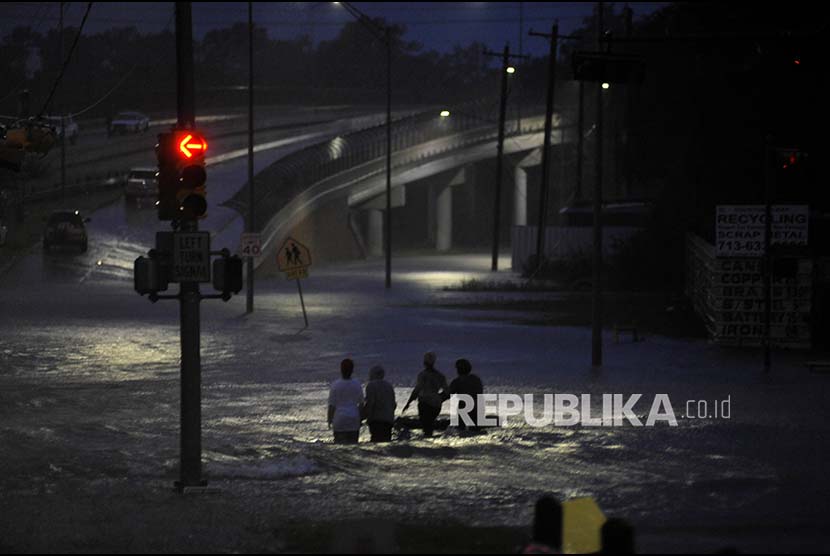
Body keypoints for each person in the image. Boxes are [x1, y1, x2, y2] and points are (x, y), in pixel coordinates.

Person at [403, 351, 448, 437]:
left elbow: (417, 390)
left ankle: (427, 442)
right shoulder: (440, 376)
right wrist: (439, 399)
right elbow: (447, 392)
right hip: (436, 405)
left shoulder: (422, 375)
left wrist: (408, 403)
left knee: (426, 426)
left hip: (425, 403)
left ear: (424, 362)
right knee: (430, 424)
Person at [327, 358, 364, 443]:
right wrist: (360, 419)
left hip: (339, 420)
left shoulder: (335, 385)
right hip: (353, 420)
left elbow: (332, 406)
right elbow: (361, 404)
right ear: (352, 370)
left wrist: (329, 420)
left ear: (341, 369)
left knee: (339, 449)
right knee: (353, 447)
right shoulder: (357, 384)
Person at [447, 358, 484, 430]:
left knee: (461, 430)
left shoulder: (457, 381)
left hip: (464, 409)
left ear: (458, 370)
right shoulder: (476, 379)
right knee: (475, 430)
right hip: (478, 408)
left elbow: (447, 394)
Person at [363, 365, 396, 442]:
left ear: (373, 374)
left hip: (376, 421)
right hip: (388, 420)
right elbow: (394, 405)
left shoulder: (371, 385)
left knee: (376, 443)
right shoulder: (389, 386)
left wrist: (367, 417)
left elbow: (371, 403)